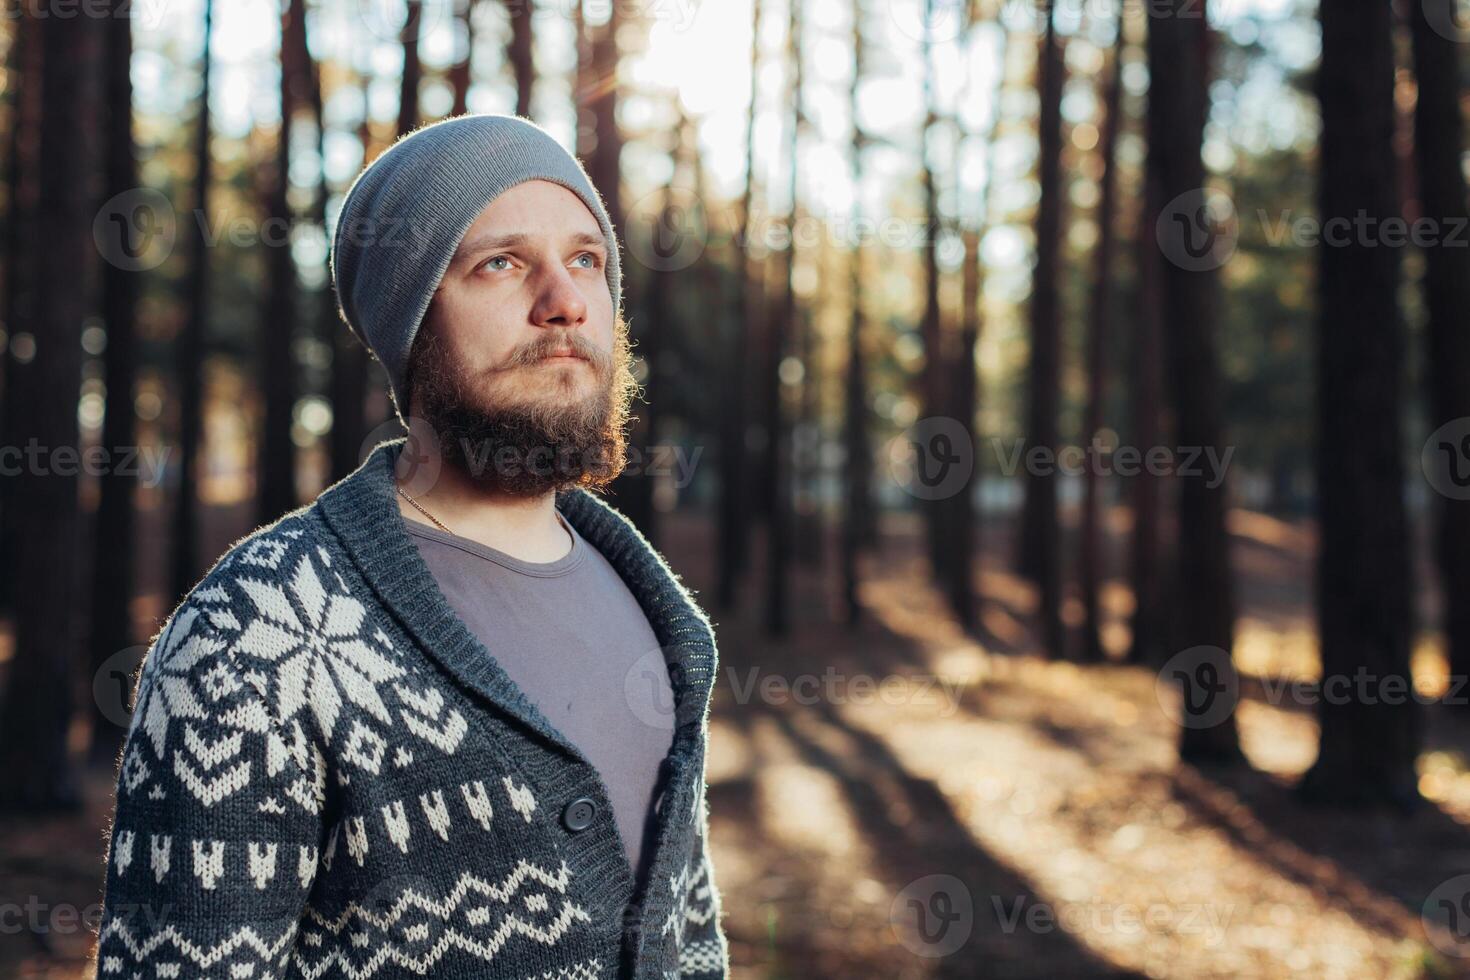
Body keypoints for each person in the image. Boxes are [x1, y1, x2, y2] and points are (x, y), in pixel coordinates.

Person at [93, 113, 729, 980]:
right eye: (499, 263)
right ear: (411, 322)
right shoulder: (258, 633)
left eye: (587, 259)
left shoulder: (658, 615)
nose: (567, 301)